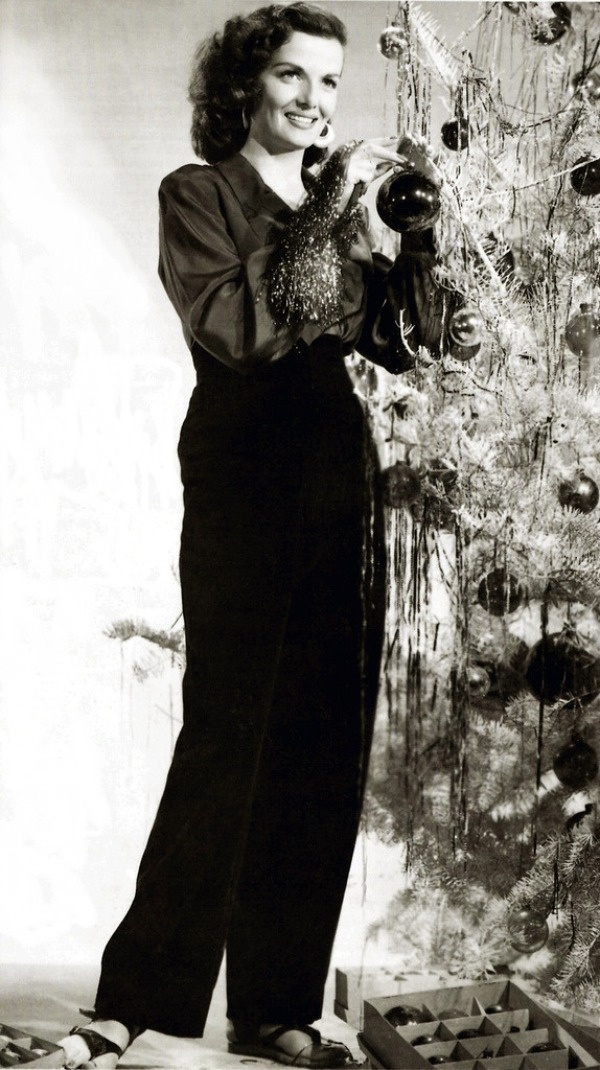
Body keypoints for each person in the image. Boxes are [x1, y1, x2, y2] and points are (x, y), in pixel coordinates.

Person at [59, 4, 448, 1067]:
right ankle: (136, 1002)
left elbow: (406, 341)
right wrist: (329, 206)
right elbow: (242, 333)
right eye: (293, 76)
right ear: (247, 84)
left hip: (337, 463)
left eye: (330, 82)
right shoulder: (197, 193)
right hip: (243, 463)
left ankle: (276, 1005)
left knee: (323, 737)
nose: (315, 100)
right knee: (228, 728)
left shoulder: (342, 208)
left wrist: (414, 239)